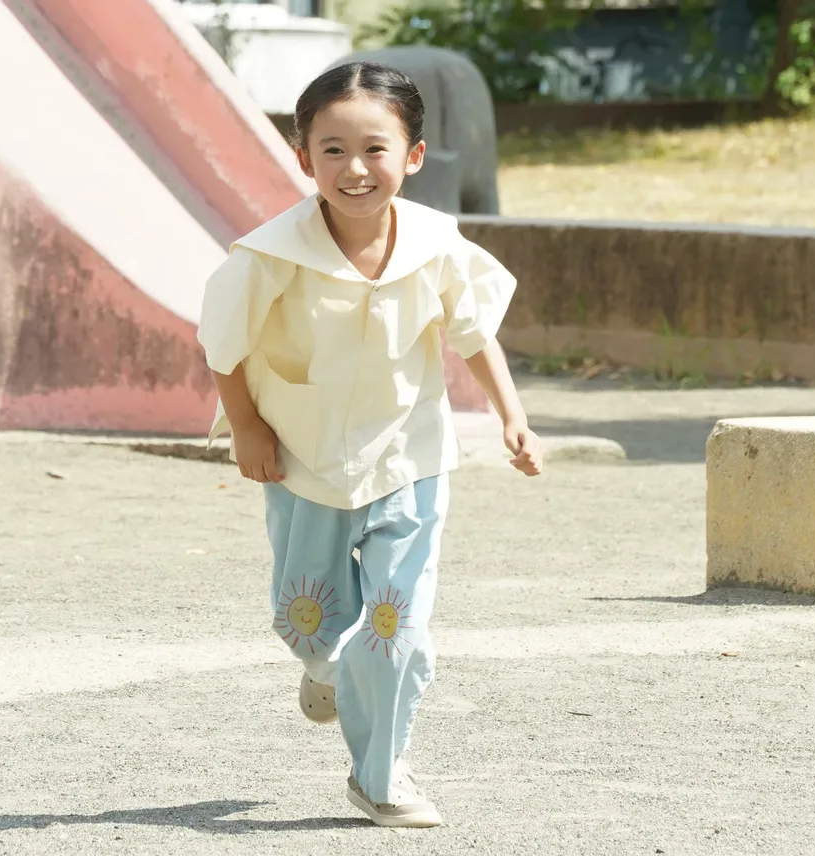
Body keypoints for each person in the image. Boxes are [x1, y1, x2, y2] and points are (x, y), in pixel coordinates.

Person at [195, 61, 543, 828]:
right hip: (302, 459)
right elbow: (223, 344)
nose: (356, 169)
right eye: (333, 150)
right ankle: (326, 667)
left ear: (413, 156)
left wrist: (511, 415)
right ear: (302, 157)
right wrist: (247, 428)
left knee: (398, 627)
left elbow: (473, 331)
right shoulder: (267, 255)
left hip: (409, 459)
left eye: (376, 149)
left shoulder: (436, 243)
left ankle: (380, 776)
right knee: (310, 622)